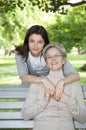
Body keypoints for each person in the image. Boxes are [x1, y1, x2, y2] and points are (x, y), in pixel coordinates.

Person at [21, 44, 86, 130]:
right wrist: (44, 100)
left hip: (66, 125)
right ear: (46, 62)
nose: (53, 59)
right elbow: (25, 114)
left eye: (56, 55)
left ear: (64, 60)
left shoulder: (73, 84)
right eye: (49, 57)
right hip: (42, 125)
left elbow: (83, 118)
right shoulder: (38, 83)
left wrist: (67, 99)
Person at [15, 25, 80, 100]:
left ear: (44, 43)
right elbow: (23, 77)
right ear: (27, 41)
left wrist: (62, 81)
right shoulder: (20, 54)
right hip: (28, 91)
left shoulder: (53, 52)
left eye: (39, 42)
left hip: (51, 92)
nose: (35, 46)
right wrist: (44, 80)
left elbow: (75, 75)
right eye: (32, 41)